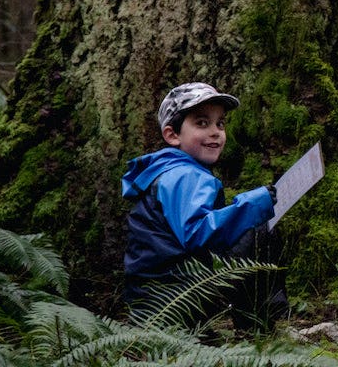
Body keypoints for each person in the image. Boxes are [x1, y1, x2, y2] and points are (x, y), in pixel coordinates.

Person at [122, 81, 285, 330]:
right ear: (172, 135)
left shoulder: (167, 171)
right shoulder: (184, 176)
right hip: (174, 299)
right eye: (202, 123)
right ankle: (257, 328)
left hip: (156, 298)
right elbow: (197, 234)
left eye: (220, 123)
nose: (215, 132)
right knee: (260, 231)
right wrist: (252, 205)